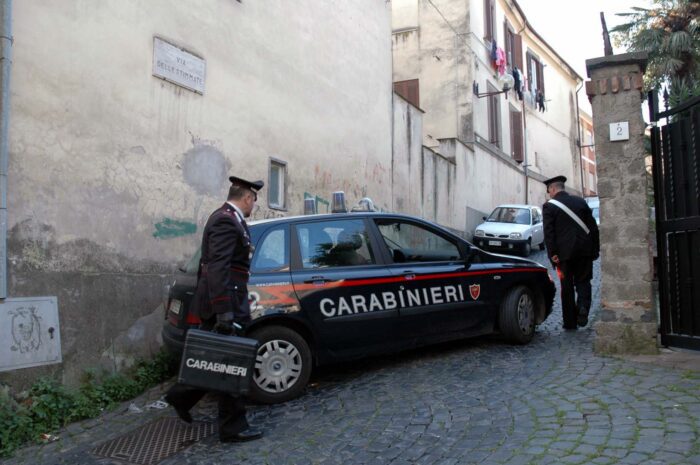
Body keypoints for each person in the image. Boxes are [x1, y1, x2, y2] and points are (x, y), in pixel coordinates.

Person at [165, 175, 264, 443]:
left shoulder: (228, 218)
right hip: (227, 303)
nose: (253, 205)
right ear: (247, 197)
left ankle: (181, 396)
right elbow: (217, 268)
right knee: (233, 362)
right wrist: (224, 312)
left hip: (230, 300)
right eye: (253, 200)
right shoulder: (225, 220)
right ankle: (232, 427)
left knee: (218, 359)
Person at [542, 175, 600, 330]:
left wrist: (552, 253)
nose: (549, 194)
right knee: (583, 281)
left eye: (549, 191)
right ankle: (583, 307)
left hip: (563, 255)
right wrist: (595, 250)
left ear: (553, 189)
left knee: (566, 287)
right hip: (584, 251)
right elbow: (593, 228)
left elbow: (549, 233)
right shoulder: (580, 202)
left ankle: (570, 322)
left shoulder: (549, 206)